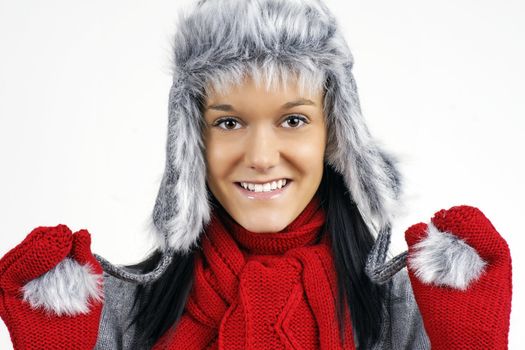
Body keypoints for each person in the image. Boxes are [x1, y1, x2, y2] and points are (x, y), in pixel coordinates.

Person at [0, 0, 512, 349]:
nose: (262, 156)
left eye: (293, 119)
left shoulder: (409, 310)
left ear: (334, 134)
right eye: (228, 121)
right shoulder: (115, 315)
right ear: (191, 140)